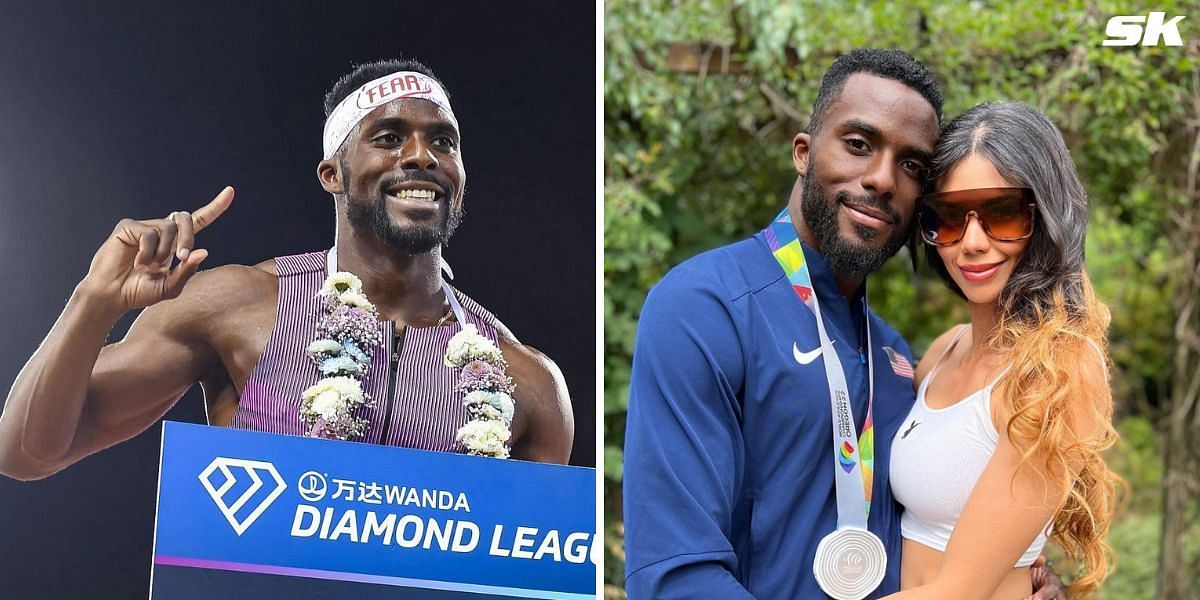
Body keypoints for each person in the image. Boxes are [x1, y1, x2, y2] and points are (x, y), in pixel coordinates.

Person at [622, 49, 1064, 599]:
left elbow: (935, 532)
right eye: (858, 145)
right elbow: (675, 577)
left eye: (912, 166)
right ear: (804, 152)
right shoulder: (703, 308)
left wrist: (1021, 582)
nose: (882, 179)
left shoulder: (896, 356)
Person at [0, 58, 574, 480]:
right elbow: (25, 453)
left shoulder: (527, 381)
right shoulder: (236, 305)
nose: (422, 156)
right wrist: (93, 302)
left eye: (443, 142)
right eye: (390, 137)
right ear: (332, 174)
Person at [887, 102, 1118, 599]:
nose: (970, 242)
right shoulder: (944, 350)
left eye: (1001, 213)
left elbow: (958, 591)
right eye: (948, 217)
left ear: (1046, 217)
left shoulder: (1061, 371)